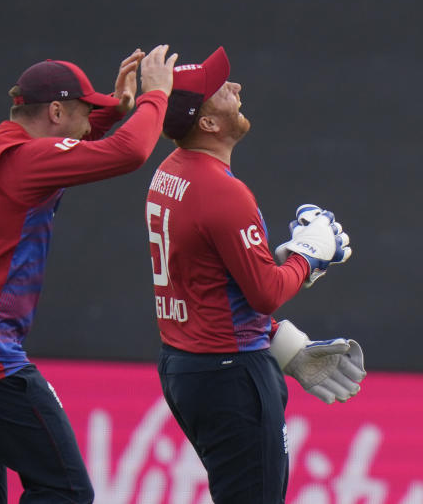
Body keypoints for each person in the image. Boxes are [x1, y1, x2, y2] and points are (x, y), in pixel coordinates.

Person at [0, 45, 178, 503]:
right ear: (56, 110)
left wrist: (110, 113)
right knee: (67, 490)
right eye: (84, 111)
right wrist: (155, 96)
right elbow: (131, 152)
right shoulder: (24, 162)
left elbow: (65, 147)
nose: (87, 124)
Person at [146, 46, 366, 503]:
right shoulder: (222, 190)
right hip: (230, 371)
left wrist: (278, 340)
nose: (236, 88)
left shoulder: (169, 172)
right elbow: (265, 292)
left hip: (186, 363)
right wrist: (308, 255)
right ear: (207, 123)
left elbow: (209, 275)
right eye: (220, 89)